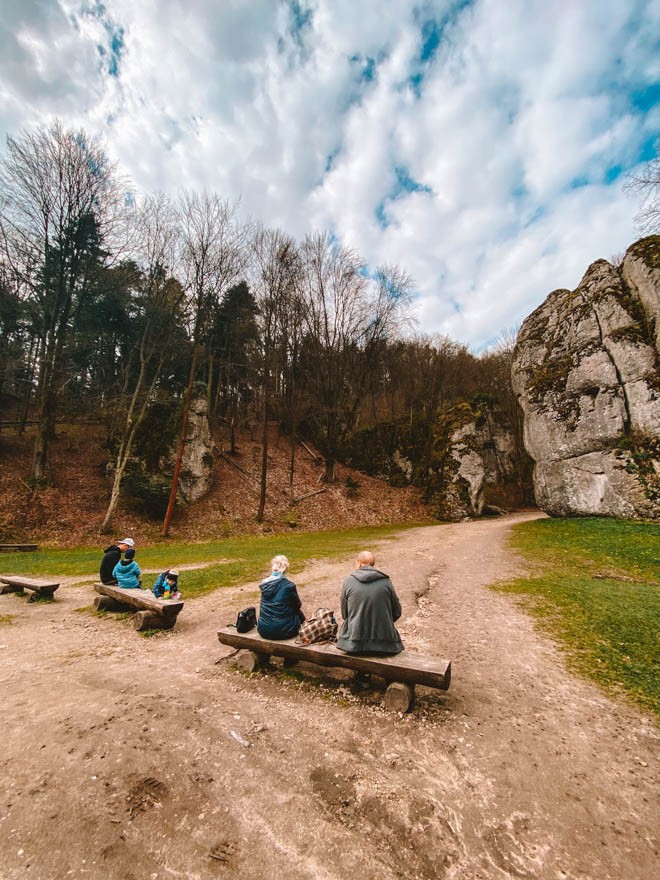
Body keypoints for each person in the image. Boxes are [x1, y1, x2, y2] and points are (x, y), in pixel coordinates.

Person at [336, 550, 403, 663]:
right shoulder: (386, 581)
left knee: (355, 641)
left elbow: (344, 614)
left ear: (359, 563)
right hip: (385, 643)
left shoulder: (349, 581)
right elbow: (397, 612)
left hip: (354, 643)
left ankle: (361, 676)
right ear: (372, 564)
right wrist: (383, 621)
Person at [257, 555, 304, 640]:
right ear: (286, 568)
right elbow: (297, 605)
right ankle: (306, 625)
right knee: (296, 610)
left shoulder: (264, 584)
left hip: (263, 629)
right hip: (283, 631)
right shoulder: (289, 586)